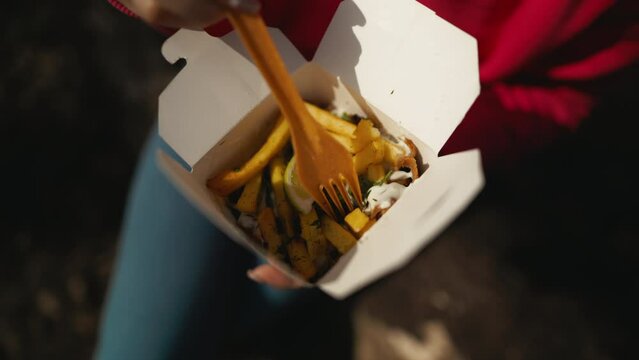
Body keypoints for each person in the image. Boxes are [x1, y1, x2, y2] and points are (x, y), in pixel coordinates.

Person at [96, 0, 638, 358]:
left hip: (367, 201)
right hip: (230, 96)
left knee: (241, 324)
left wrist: (429, 153)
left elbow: (559, 97)